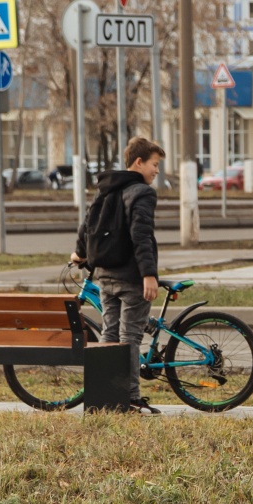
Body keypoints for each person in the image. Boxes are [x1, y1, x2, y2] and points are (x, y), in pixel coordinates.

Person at [71, 136, 166, 414]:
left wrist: (79, 254)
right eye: (154, 164)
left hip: (105, 276)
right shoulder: (142, 193)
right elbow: (141, 234)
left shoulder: (107, 188)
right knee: (130, 337)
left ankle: (107, 396)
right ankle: (131, 397)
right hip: (131, 277)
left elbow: (87, 224)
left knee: (110, 335)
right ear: (138, 162)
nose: (157, 171)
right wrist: (149, 274)